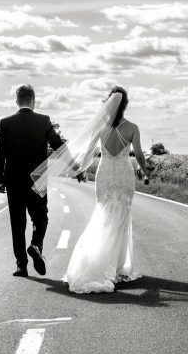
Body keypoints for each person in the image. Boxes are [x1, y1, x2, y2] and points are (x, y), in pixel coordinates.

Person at [63, 86, 151, 293]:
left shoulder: (100, 128)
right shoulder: (132, 128)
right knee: (120, 218)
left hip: (104, 175)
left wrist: (82, 171)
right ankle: (114, 266)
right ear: (125, 105)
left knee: (103, 214)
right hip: (123, 176)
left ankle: (102, 263)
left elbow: (89, 153)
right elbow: (138, 155)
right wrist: (146, 172)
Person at [0, 84, 65, 277]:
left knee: (17, 223)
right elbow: (58, 145)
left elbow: (1, 153)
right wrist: (75, 166)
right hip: (38, 179)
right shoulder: (44, 121)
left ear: (17, 101)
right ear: (34, 100)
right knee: (40, 217)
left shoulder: (6, 122)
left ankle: (21, 265)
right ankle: (35, 245)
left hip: (13, 180)